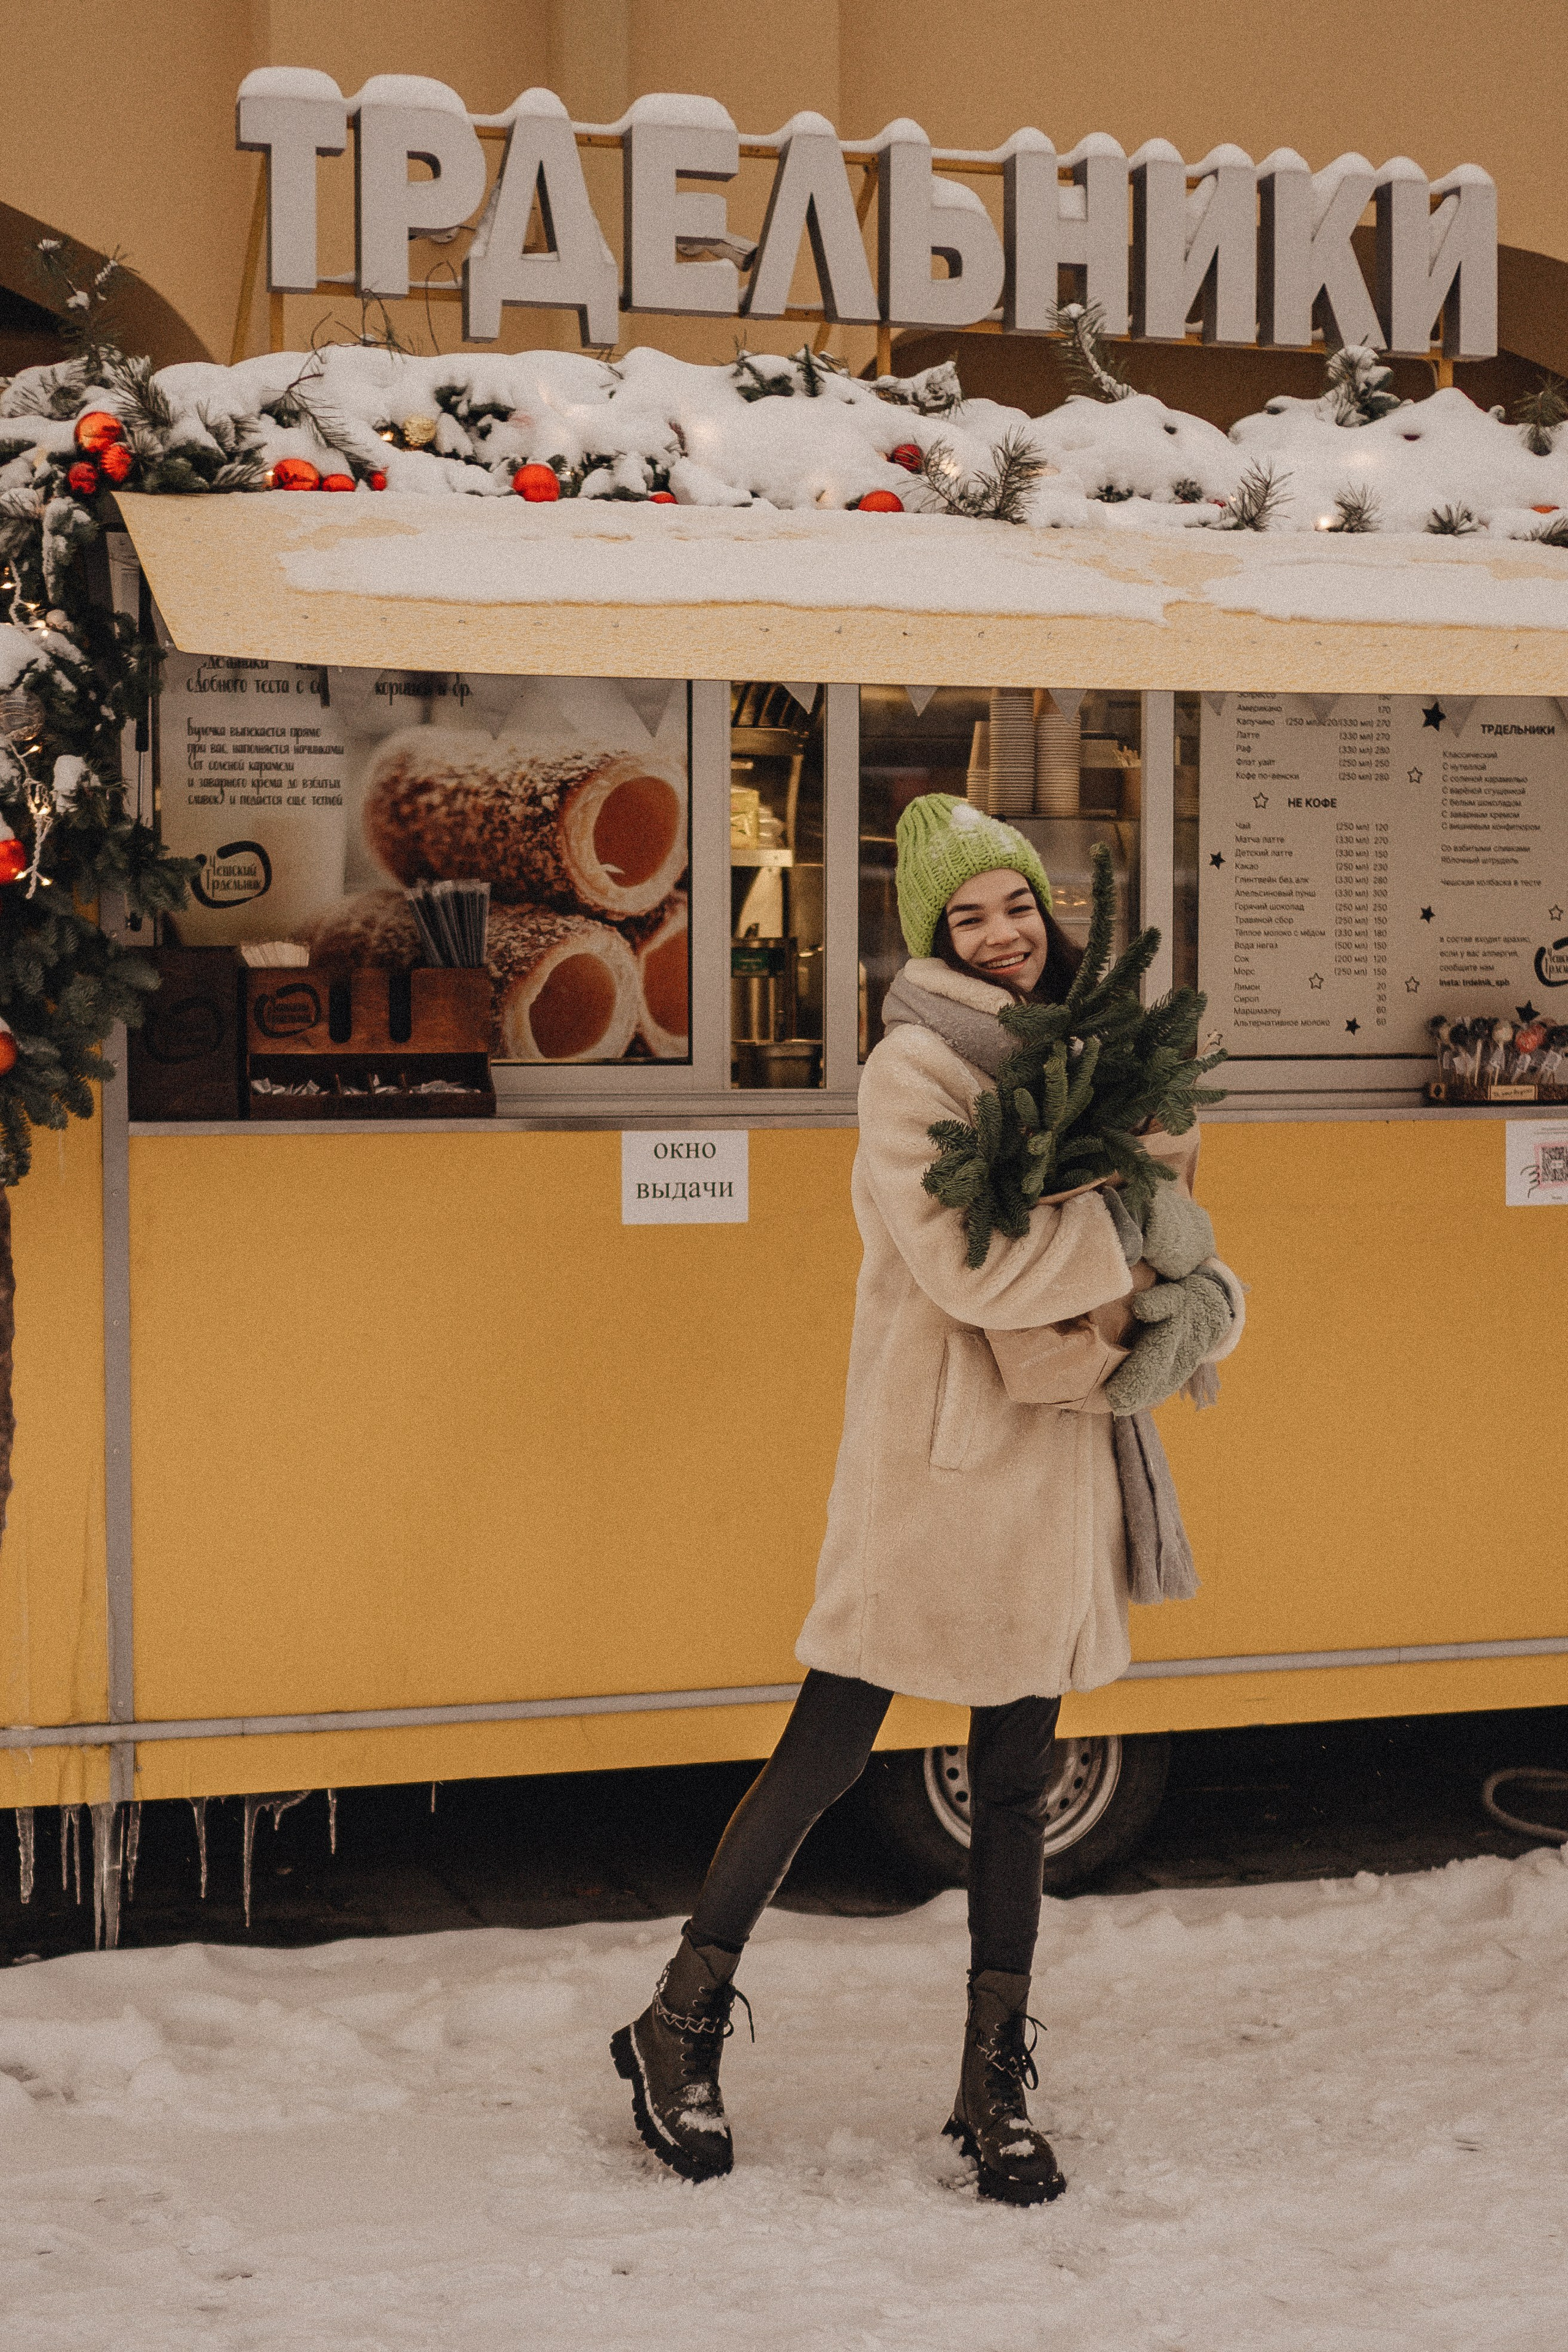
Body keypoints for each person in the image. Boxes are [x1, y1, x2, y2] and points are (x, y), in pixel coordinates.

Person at [612, 793, 1243, 2205]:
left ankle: (991, 2081)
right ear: (935, 937)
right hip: (938, 1468)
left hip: (1059, 1457)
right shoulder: (910, 1071)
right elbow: (975, 1268)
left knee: (1015, 1786)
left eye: (1014, 902)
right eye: (968, 916)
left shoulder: (1085, 1053)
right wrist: (1132, 1244)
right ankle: (678, 2019)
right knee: (826, 1752)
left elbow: (1167, 1216)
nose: (1001, 931)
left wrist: (1165, 1247)